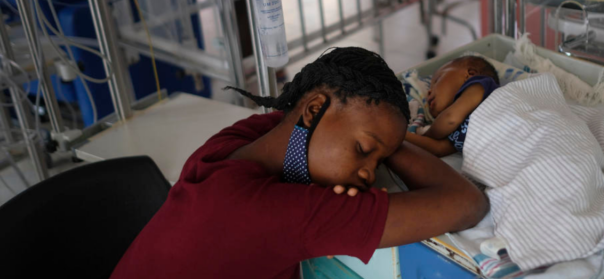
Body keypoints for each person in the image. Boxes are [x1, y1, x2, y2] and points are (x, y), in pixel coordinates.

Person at [110, 47, 488, 279]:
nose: (368, 173)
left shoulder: (235, 143)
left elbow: (292, 122)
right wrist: (394, 143)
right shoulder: (278, 214)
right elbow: (467, 204)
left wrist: (381, 138)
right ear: (313, 109)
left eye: (377, 159)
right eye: (363, 149)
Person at [405, 56, 500, 157]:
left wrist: (428, 133)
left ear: (470, 74)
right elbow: (438, 148)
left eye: (437, 80)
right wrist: (401, 135)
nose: (429, 92)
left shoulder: (482, 84)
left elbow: (450, 118)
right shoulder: (457, 129)